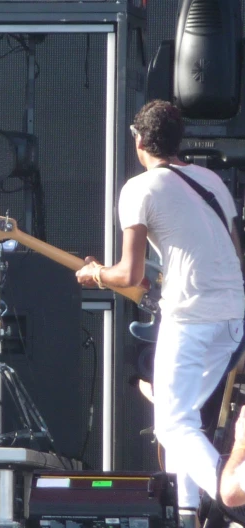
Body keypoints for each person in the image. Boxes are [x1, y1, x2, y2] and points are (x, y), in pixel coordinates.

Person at [76, 100, 244, 523]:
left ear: (137, 140)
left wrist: (96, 273)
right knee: (183, 421)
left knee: (171, 426)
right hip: (233, 316)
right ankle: (187, 516)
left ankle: (234, 496)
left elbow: (129, 274)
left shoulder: (139, 188)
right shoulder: (212, 180)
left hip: (191, 319)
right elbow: (233, 253)